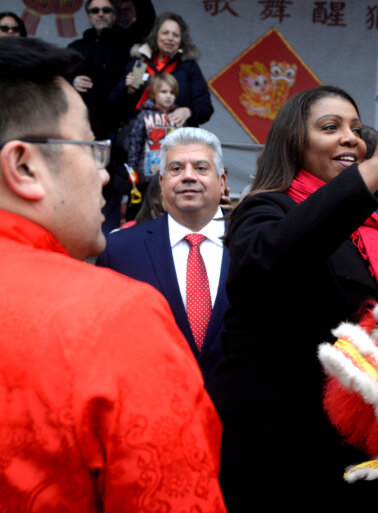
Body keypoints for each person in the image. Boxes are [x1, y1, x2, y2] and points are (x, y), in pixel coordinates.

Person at [0, 37, 225, 511]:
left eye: (201, 168)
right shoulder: (116, 315)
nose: (104, 173)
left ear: (222, 181)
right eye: (90, 147)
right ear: (23, 166)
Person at [206, 86, 378, 511]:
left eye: (357, 130)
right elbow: (282, 254)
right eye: (331, 127)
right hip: (280, 449)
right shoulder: (265, 211)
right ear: (294, 143)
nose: (352, 139)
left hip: (357, 442)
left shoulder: (376, 232)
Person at [96, 127, 229, 382]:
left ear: (222, 181)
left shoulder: (257, 243)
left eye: (201, 168)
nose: (188, 176)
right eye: (176, 169)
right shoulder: (118, 250)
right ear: (162, 182)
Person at [67, 0, 155, 233]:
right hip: (82, 132)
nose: (100, 14)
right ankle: (77, 239)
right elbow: (54, 84)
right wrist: (71, 81)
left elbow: (147, 19)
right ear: (87, 15)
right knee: (78, 186)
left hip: (117, 131)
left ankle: (106, 247)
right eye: (95, 10)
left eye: (106, 10)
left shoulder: (127, 43)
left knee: (112, 191)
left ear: (115, 15)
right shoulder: (75, 47)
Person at [111, 11, 214, 129]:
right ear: (156, 36)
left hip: (177, 137)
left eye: (175, 35)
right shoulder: (139, 62)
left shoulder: (189, 66)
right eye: (165, 33)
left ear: (181, 40)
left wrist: (189, 111)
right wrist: (127, 91)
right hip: (139, 136)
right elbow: (112, 106)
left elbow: (206, 107)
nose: (170, 38)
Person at [127, 72, 178, 179]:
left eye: (172, 92)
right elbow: (135, 143)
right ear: (154, 93)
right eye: (164, 92)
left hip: (173, 174)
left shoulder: (177, 115)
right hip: (147, 173)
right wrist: (132, 168)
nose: (168, 96)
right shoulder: (144, 115)